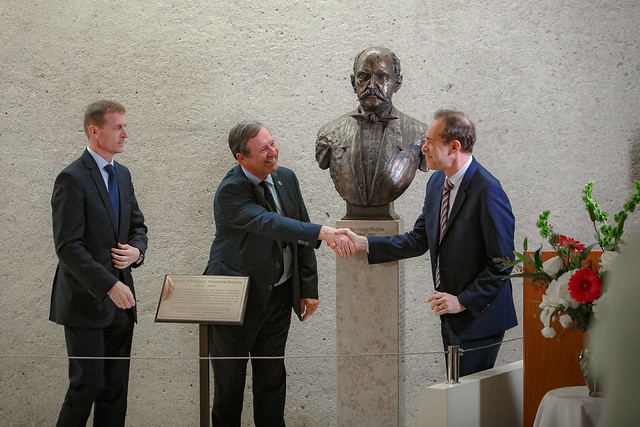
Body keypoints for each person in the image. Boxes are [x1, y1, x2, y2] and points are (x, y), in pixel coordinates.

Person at [340, 110, 517, 376]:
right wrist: (365, 242)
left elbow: (503, 263)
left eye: (430, 141)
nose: (423, 148)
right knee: (456, 398)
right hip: (451, 314)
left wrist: (462, 301)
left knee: (467, 407)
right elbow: (418, 239)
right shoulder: (436, 182)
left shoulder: (488, 190)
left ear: (455, 146)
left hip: (480, 317)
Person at [203, 121, 353, 426]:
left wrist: (308, 288)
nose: (273, 152)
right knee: (229, 387)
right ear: (241, 158)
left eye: (272, 143)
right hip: (236, 298)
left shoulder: (286, 178)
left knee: (272, 378)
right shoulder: (231, 190)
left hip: (278, 294)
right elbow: (270, 223)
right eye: (263, 149)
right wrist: (322, 232)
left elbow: (299, 235)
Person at [50, 100, 148, 426]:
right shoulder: (71, 178)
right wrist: (109, 285)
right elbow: (67, 247)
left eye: (125, 126)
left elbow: (138, 228)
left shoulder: (123, 175)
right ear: (95, 131)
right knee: (85, 387)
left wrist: (137, 251)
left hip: (123, 303)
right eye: (118, 127)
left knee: (115, 391)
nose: (125, 134)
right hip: (85, 302)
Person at [316, 46, 427, 218]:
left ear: (397, 83)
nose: (371, 85)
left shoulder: (420, 135)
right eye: (363, 77)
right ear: (353, 82)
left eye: (382, 77)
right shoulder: (329, 134)